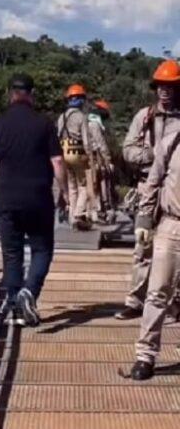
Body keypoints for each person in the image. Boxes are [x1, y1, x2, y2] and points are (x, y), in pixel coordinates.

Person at [0, 73, 68, 327]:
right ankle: (30, 292)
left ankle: (16, 308)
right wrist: (65, 193)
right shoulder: (44, 124)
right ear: (31, 94)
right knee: (42, 249)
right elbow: (58, 162)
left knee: (12, 254)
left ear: (11, 94)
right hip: (38, 199)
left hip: (7, 201)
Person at [116, 59, 180, 321]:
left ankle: (174, 303)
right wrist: (156, 155)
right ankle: (136, 300)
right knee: (143, 247)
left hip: (174, 190)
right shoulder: (144, 117)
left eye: (170, 86)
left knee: (174, 250)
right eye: (161, 86)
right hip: (146, 186)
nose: (164, 91)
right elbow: (128, 150)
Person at [129, 103, 180, 380]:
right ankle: (145, 356)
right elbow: (154, 180)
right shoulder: (173, 140)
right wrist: (144, 221)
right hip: (172, 224)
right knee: (158, 291)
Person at [56, 84, 94, 230]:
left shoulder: (62, 117)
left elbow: (58, 135)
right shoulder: (81, 117)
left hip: (64, 152)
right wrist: (89, 156)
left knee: (71, 187)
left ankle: (72, 217)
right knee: (83, 185)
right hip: (77, 152)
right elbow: (86, 139)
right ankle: (79, 213)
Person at [87, 99, 115, 223]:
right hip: (96, 158)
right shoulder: (94, 124)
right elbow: (100, 143)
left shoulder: (87, 121)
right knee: (102, 182)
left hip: (88, 157)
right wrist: (108, 160)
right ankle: (101, 209)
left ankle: (97, 209)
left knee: (94, 184)